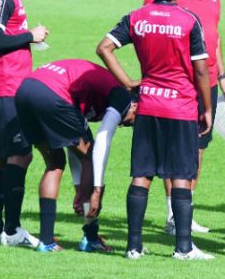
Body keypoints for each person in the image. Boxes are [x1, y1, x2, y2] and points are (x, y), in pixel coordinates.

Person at [97, 0, 214, 260]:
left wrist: (129, 83)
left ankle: (133, 246)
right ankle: (184, 248)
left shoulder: (137, 17)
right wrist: (207, 107)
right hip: (181, 107)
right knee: (180, 175)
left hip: (148, 104)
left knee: (142, 175)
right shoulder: (189, 20)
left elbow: (104, 48)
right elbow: (201, 70)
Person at [143, 0, 225, 235]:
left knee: (198, 145)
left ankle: (185, 210)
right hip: (175, 78)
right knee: (174, 146)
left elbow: (214, 33)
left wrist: (222, 75)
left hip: (206, 76)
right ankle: (172, 214)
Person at [14, 59, 138, 253]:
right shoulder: (122, 97)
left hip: (26, 90)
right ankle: (90, 237)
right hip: (53, 92)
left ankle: (46, 242)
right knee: (91, 157)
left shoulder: (93, 95)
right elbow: (101, 143)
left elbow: (73, 144)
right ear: (135, 106)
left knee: (55, 163)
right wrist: (95, 190)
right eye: (131, 122)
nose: (126, 124)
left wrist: (79, 189)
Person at [0, 0, 49, 248]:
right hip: (5, 87)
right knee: (19, 155)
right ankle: (11, 230)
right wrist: (29, 36)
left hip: (0, 86)